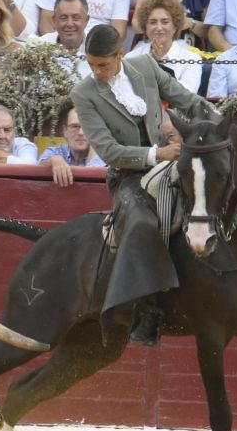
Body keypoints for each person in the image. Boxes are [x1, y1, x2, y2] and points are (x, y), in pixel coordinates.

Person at [70, 23, 220, 343]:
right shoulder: (83, 93)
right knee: (141, 224)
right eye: (91, 64)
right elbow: (109, 151)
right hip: (128, 176)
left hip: (170, 163)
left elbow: (188, 100)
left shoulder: (145, 67)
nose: (96, 71)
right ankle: (147, 306)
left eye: (103, 64)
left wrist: (220, 125)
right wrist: (158, 153)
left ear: (120, 55)